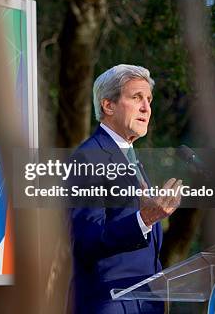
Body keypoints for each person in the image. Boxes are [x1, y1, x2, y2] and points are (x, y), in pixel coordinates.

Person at [69, 64, 182, 313]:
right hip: (110, 302)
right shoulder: (89, 158)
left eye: (149, 100)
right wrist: (145, 218)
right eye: (136, 98)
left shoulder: (131, 158)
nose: (146, 108)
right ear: (108, 105)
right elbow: (85, 240)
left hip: (145, 303)